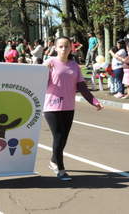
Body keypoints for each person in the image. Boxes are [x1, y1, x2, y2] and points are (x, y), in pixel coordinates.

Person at [43, 36, 103, 181]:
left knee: (63, 138)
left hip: (69, 106)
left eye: (67, 46)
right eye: (61, 46)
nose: (64, 49)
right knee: (58, 137)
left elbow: (81, 86)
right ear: (55, 48)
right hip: (52, 106)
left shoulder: (74, 65)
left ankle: (53, 161)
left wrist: (94, 101)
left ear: (71, 48)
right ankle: (61, 169)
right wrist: (43, 72)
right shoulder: (49, 63)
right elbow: (38, 83)